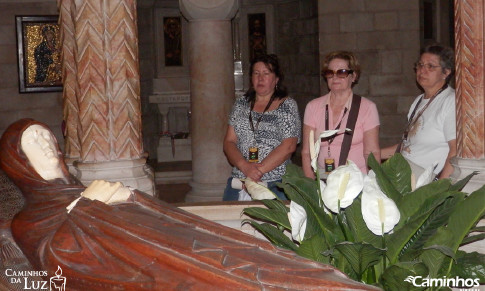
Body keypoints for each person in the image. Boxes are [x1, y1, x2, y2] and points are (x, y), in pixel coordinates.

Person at [0, 118, 371, 290]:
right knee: (232, 274)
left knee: (247, 252)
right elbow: (58, 264)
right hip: (156, 265)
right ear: (19, 164)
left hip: (178, 241)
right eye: (35, 144)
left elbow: (162, 216)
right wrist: (88, 207)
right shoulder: (29, 220)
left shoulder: (83, 189)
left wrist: (127, 197)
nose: (48, 146)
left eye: (47, 138)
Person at [223, 54, 301, 200]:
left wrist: (258, 171)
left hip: (275, 182)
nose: (260, 78)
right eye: (256, 73)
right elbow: (229, 142)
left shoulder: (287, 105)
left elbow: (289, 146)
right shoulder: (240, 104)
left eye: (266, 73)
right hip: (240, 179)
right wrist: (245, 167)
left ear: (276, 79)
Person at [381, 44, 456, 180]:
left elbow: (455, 150)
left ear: (446, 72)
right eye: (420, 65)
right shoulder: (418, 100)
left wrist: (439, 190)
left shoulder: (450, 101)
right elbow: (409, 146)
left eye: (430, 66)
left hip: (424, 181)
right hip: (405, 173)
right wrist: (373, 154)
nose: (422, 70)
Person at [301, 51, 380, 178]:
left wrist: (373, 184)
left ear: (353, 76)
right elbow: (306, 152)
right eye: (330, 73)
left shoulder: (367, 108)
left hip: (356, 179)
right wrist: (311, 188)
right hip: (323, 178)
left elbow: (372, 153)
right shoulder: (313, 107)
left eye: (341, 72)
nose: (335, 77)